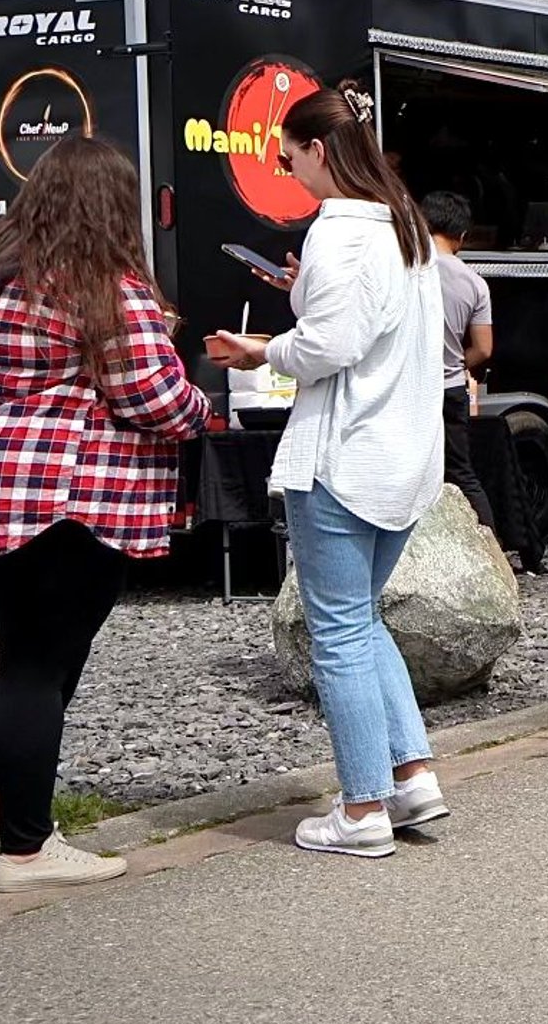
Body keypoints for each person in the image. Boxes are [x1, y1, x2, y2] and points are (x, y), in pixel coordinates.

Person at [0, 138, 212, 893]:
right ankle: (28, 848)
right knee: (42, 664)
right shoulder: (103, 286)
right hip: (57, 504)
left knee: (23, 650)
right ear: (113, 206)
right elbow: (154, 397)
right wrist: (206, 406)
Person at [209, 83, 448, 859]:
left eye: (289, 158)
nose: (290, 173)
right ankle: (410, 776)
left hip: (345, 458)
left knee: (339, 630)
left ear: (319, 150)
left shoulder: (338, 231)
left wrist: (262, 348)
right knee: (362, 616)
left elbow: (327, 347)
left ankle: (362, 807)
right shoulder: (403, 224)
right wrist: (304, 296)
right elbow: (364, 324)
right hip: (407, 457)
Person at [420, 191, 497, 534]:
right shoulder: (475, 283)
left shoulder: (408, 270)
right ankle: (491, 548)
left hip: (411, 387)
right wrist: (454, 362)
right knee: (462, 473)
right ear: (462, 235)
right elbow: (483, 349)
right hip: (452, 388)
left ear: (423, 224)